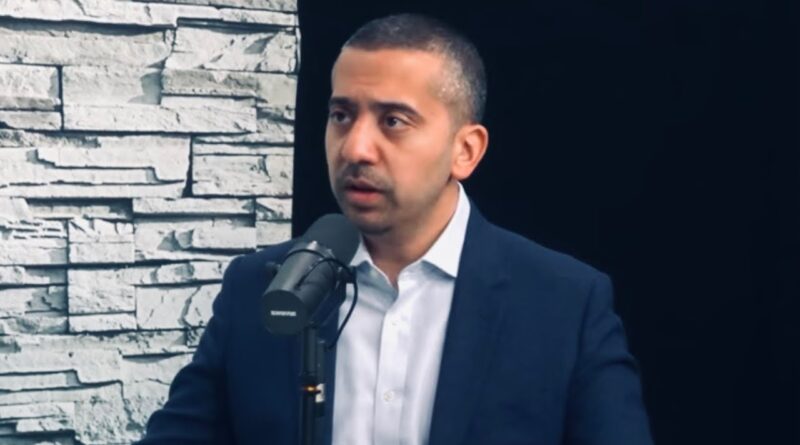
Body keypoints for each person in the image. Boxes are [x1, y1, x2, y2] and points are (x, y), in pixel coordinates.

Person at [137, 13, 653, 445]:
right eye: (342, 115)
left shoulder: (564, 304)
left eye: (393, 121)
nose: (355, 148)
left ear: (465, 150)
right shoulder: (260, 287)